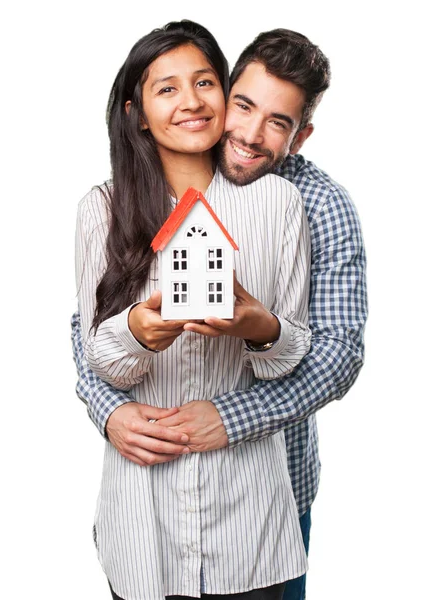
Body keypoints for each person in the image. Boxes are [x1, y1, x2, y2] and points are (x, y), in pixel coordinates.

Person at [72, 28, 368, 600]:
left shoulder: (305, 204)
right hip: (149, 507)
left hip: (267, 484)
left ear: (300, 136)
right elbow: (89, 333)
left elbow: (334, 355)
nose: (250, 135)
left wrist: (240, 392)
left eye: (278, 122)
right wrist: (113, 407)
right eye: (244, 105)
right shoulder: (111, 206)